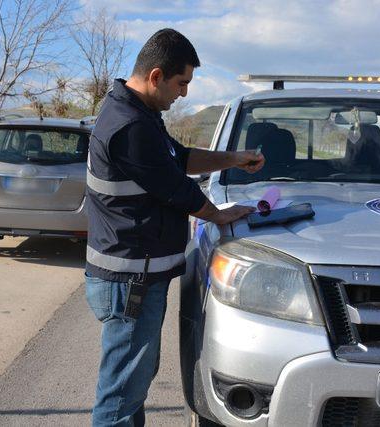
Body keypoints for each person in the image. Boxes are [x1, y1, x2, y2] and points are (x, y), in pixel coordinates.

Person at [84, 28, 265, 427]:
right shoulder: (129, 126)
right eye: (181, 83)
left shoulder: (141, 115)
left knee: (132, 382)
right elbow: (174, 187)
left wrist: (233, 159)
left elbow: (178, 160)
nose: (183, 93)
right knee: (120, 393)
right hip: (129, 280)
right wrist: (218, 214)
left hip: (137, 277)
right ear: (155, 76)